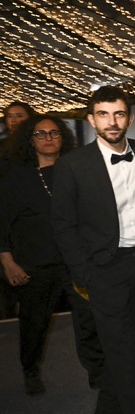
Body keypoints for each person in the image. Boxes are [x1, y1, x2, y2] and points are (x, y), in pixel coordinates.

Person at [51, 86, 135, 414]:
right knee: (122, 351)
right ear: (91, 119)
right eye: (103, 114)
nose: (112, 121)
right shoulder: (73, 165)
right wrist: (85, 273)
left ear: (130, 118)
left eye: (118, 113)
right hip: (103, 268)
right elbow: (63, 226)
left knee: (125, 345)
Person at [0, 116, 103, 395]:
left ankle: (97, 371)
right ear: (30, 139)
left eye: (54, 133)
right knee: (34, 323)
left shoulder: (76, 170)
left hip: (75, 263)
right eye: (40, 133)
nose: (48, 138)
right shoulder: (17, 176)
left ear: (63, 137)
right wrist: (7, 260)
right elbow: (2, 220)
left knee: (88, 318)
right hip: (34, 263)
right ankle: (30, 370)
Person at [0, 102, 36, 320]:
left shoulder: (38, 146)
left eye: (19, 115)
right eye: (9, 116)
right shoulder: (2, 148)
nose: (14, 120)